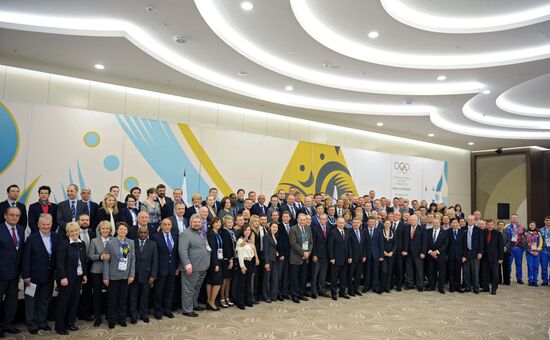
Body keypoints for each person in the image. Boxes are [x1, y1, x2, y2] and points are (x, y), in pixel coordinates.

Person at [22, 213, 59, 334]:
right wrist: (26, 276)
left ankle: (42, 322)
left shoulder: (55, 236)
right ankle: (31, 324)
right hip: (32, 277)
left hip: (48, 276)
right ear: (38, 225)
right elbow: (26, 259)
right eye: (43, 224)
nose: (46, 226)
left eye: (48, 224)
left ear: (52, 224)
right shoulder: (32, 238)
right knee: (31, 301)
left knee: (44, 299)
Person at [55, 222, 88, 335]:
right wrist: (63, 277)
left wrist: (84, 274)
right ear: (67, 233)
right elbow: (59, 263)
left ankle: (70, 323)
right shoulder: (63, 244)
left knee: (74, 302)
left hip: (78, 278)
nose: (74, 233)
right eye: (72, 231)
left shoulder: (82, 244)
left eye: (76, 231)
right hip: (66, 279)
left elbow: (83, 261)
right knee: (63, 303)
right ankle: (60, 326)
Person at [103, 222, 136, 329]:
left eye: (125, 229)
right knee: (112, 299)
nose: (123, 231)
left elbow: (132, 260)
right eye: (120, 229)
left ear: (127, 231)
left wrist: (131, 275)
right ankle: (112, 320)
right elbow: (106, 261)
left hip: (126, 276)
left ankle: (122, 319)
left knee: (123, 299)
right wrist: (106, 277)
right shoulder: (111, 243)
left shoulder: (130, 243)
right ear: (117, 231)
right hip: (113, 276)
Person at [178, 214, 211, 317]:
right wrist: (187, 264)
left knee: (196, 288)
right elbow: (182, 251)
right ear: (190, 223)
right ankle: (187, 309)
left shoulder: (201, 233)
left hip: (202, 267)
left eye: (199, 222)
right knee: (188, 289)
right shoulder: (185, 234)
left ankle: (194, 304)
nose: (197, 224)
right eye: (195, 222)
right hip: (192, 267)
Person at [0, 206, 25, 337]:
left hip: (15, 273)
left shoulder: (21, 230)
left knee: (12, 300)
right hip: (1, 273)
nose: (14, 217)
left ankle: (8, 324)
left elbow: (19, 252)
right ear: (5, 216)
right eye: (12, 215)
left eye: (17, 215)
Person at [129, 226, 158, 324]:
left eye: (144, 232)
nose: (142, 234)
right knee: (133, 297)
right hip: (134, 275)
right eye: (140, 232)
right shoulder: (132, 243)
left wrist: (153, 275)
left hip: (147, 275)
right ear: (138, 233)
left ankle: (144, 315)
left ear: (147, 233)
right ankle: (133, 316)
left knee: (145, 297)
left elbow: (155, 261)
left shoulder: (153, 244)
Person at [151, 218, 179, 319]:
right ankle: (157, 311)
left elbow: (177, 253)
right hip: (160, 269)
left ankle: (168, 310)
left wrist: (177, 267)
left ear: (171, 226)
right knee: (158, 291)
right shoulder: (155, 237)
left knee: (170, 291)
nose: (167, 226)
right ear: (161, 226)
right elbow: (154, 256)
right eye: (165, 225)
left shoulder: (176, 235)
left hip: (172, 269)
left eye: (169, 224)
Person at [87, 220, 112, 327]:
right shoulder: (94, 241)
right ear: (100, 230)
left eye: (107, 229)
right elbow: (90, 256)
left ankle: (109, 315)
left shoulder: (114, 240)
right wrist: (101, 257)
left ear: (110, 230)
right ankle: (97, 318)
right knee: (97, 295)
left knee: (110, 295)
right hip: (96, 271)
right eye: (103, 229)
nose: (105, 230)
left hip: (110, 272)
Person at [288, 214, 313, 303]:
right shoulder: (293, 229)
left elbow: (311, 242)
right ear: (297, 220)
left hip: (305, 258)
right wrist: (303, 252)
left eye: (304, 220)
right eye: (301, 220)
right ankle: (294, 295)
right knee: (295, 278)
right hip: (296, 257)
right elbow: (293, 243)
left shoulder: (308, 228)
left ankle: (301, 294)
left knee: (303, 277)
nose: (303, 221)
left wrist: (308, 252)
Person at [76, 213, 95, 321]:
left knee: (87, 290)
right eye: (82, 220)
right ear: (78, 221)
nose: (85, 222)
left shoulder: (92, 233)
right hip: (77, 265)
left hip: (89, 265)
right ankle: (74, 312)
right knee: (75, 290)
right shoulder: (74, 232)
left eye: (87, 220)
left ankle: (85, 313)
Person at [328, 217, 350, 300]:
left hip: (345, 259)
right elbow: (330, 246)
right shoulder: (333, 232)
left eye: (343, 223)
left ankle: (342, 292)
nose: (341, 224)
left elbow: (349, 246)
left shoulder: (347, 232)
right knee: (334, 277)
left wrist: (350, 256)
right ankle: (334, 293)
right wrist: (332, 257)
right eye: (340, 223)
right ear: (336, 223)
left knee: (343, 277)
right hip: (336, 259)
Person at [235, 225, 257, 309]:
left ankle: (247, 300)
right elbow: (239, 254)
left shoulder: (248, 241)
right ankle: (240, 302)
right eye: (246, 230)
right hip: (243, 262)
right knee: (242, 283)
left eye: (249, 230)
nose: (248, 231)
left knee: (248, 283)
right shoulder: (241, 240)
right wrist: (242, 266)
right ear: (242, 231)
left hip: (249, 262)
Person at [311, 213, 331, 298]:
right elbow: (313, 243)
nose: (323, 220)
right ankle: (314, 292)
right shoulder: (315, 229)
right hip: (317, 255)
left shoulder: (330, 229)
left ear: (327, 220)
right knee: (315, 274)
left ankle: (322, 290)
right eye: (321, 219)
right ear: (319, 220)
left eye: (324, 219)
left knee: (323, 275)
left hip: (326, 256)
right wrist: (314, 254)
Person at [405, 215, 427, 291]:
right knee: (409, 269)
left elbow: (424, 242)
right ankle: (410, 284)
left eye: (414, 220)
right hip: (408, 253)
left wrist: (423, 252)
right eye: (411, 220)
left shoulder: (422, 229)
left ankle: (420, 285)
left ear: (417, 220)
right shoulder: (407, 228)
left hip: (418, 253)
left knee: (419, 270)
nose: (412, 221)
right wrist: (405, 250)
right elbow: (405, 240)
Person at [205, 217, 223, 311]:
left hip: (217, 259)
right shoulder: (211, 234)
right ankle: (211, 301)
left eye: (219, 222)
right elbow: (212, 249)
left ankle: (209, 301)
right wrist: (215, 263)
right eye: (216, 222)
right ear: (212, 224)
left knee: (211, 281)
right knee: (217, 282)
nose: (218, 224)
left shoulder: (218, 233)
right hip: (214, 261)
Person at [426, 218, 449, 294]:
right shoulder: (428, 231)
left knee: (442, 272)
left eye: (437, 223)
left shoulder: (445, 232)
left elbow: (446, 244)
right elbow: (425, 243)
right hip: (430, 255)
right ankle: (431, 286)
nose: (435, 224)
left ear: (440, 223)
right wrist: (430, 252)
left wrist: (437, 252)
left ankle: (441, 288)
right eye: (434, 223)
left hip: (441, 255)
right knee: (431, 271)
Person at [481, 220, 503, 294]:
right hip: (485, 257)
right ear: (486, 225)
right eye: (488, 225)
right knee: (485, 273)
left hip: (495, 257)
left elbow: (501, 247)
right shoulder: (483, 232)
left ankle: (494, 288)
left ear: (493, 225)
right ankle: (485, 287)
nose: (490, 226)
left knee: (495, 274)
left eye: (491, 225)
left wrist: (501, 258)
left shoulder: (498, 234)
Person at [463, 215, 484, 294]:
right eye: (469, 220)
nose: (470, 221)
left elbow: (481, 242)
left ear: (475, 221)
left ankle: (476, 288)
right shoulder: (463, 229)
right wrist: (463, 255)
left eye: (472, 220)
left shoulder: (478, 230)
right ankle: (467, 287)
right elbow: (462, 243)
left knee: (475, 271)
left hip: (475, 254)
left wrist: (480, 252)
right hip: (466, 254)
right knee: (466, 271)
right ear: (467, 221)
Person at [363, 216, 384, 294]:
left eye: (373, 222)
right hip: (367, 255)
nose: (371, 223)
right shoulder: (364, 231)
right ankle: (366, 287)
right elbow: (363, 244)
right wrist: (364, 255)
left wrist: (381, 255)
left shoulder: (378, 231)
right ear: (367, 222)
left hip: (376, 255)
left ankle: (376, 287)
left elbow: (381, 244)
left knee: (376, 271)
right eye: (370, 222)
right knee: (367, 271)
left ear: (375, 223)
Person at [219, 215, 236, 307]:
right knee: (225, 279)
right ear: (224, 223)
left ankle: (227, 297)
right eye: (228, 222)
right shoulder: (224, 232)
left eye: (231, 222)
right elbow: (226, 247)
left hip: (232, 258)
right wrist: (230, 259)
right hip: (226, 259)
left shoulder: (231, 232)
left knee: (229, 279)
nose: (230, 224)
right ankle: (222, 298)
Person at [348, 218, 366, 296]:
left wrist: (364, 255)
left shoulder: (362, 232)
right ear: (352, 224)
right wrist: (350, 256)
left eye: (357, 223)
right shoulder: (348, 232)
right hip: (352, 258)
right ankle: (350, 290)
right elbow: (348, 246)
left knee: (358, 275)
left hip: (361, 257)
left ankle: (356, 289)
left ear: (360, 223)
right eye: (354, 222)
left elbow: (364, 245)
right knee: (350, 275)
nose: (356, 224)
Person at [505, 214, 525, 284]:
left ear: (518, 219)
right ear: (511, 218)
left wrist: (524, 247)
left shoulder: (522, 228)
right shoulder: (507, 227)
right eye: (513, 218)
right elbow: (505, 237)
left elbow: (526, 238)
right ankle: (508, 277)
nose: (514, 219)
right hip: (510, 248)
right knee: (509, 264)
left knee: (519, 264)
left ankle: (519, 278)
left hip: (519, 248)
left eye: (516, 218)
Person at [276, 211, 292, 300]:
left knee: (287, 275)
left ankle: (285, 292)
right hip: (282, 255)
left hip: (290, 255)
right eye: (284, 217)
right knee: (280, 275)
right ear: (282, 218)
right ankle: (279, 293)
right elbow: (277, 242)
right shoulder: (279, 226)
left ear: (290, 218)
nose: (286, 218)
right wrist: (280, 254)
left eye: (287, 217)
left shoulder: (292, 226)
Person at [391, 211, 408, 292]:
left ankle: (398, 285)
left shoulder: (404, 226)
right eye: (394, 214)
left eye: (397, 215)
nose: (395, 216)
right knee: (391, 268)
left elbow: (406, 239)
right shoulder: (389, 224)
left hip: (400, 251)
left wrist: (405, 250)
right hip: (390, 251)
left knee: (399, 269)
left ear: (400, 216)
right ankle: (390, 284)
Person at [262, 222, 279, 302]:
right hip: (268, 260)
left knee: (275, 278)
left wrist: (276, 252)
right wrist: (266, 262)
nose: (275, 228)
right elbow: (265, 250)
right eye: (273, 227)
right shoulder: (266, 236)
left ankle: (273, 296)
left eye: (276, 227)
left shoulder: (275, 235)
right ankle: (266, 296)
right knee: (266, 279)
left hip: (274, 260)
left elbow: (273, 247)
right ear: (270, 227)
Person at [448, 219, 465, 293]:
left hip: (459, 255)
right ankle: (452, 287)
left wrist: (464, 256)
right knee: (451, 271)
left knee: (458, 271)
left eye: (456, 223)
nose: (454, 224)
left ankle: (458, 286)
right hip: (450, 255)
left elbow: (465, 245)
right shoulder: (447, 232)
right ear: (451, 224)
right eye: (453, 223)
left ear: (458, 223)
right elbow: (446, 244)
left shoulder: (462, 232)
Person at [524, 221, 542, 286]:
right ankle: (530, 280)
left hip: (537, 253)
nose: (532, 226)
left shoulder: (538, 233)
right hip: (529, 253)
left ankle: (535, 281)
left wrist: (537, 251)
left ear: (535, 226)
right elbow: (525, 244)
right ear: (529, 226)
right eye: (531, 225)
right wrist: (531, 251)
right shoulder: (526, 234)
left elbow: (541, 243)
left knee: (536, 267)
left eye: (533, 225)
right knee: (530, 267)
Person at [380, 220, 396, 293]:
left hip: (391, 255)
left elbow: (396, 244)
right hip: (383, 254)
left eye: (389, 223)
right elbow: (379, 243)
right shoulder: (380, 232)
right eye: (386, 223)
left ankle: (387, 287)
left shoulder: (393, 232)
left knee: (389, 271)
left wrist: (392, 252)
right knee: (384, 271)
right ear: (384, 224)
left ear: (391, 224)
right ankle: (382, 287)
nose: (387, 225)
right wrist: (383, 251)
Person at [496, 220, 511, 285]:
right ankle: (498, 280)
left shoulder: (507, 233)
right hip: (497, 252)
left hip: (506, 251)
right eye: (500, 224)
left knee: (506, 267)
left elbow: (509, 241)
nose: (501, 226)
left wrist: (506, 247)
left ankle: (506, 281)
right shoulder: (495, 232)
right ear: (497, 225)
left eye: (502, 225)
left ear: (504, 226)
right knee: (497, 267)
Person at [540, 216, 550, 286]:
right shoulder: (540, 230)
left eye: (549, 220)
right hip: (544, 251)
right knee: (544, 267)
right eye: (547, 220)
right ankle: (545, 280)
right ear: (544, 221)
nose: (548, 221)